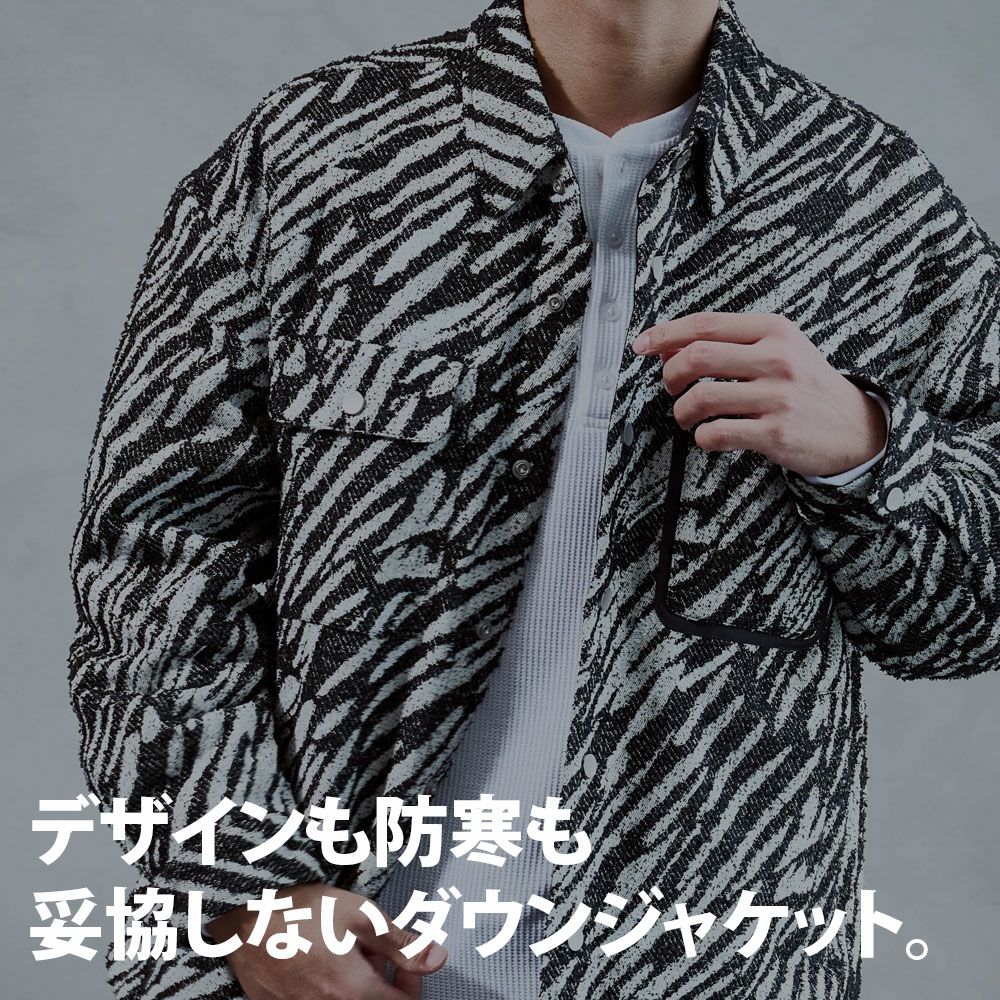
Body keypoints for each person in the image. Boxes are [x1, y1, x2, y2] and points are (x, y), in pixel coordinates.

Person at [67, 1, 1000, 999]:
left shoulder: (872, 202)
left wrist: (869, 448)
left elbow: (961, 623)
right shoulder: (317, 151)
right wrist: (250, 893)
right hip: (330, 965)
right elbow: (156, 560)